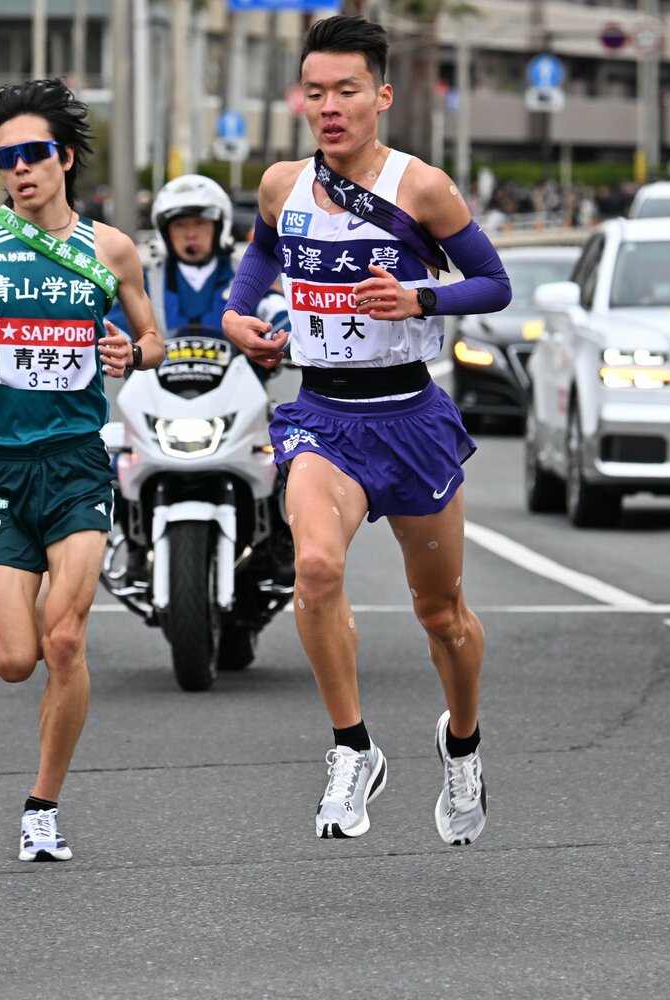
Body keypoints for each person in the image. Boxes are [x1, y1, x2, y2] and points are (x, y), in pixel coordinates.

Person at [221, 14, 511, 846]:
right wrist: (240, 319)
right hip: (323, 416)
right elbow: (256, 265)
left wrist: (421, 298)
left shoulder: (422, 187)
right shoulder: (282, 185)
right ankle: (352, 748)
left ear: (381, 95)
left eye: (347, 90)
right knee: (314, 567)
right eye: (316, 92)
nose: (331, 106)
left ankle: (462, 743)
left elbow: (491, 284)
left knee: (441, 612)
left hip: (410, 417)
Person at [0, 78, 165, 862]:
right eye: (4, 159)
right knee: (15, 659)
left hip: (79, 463)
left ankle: (43, 805)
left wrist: (132, 352)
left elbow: (152, 338)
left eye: (33, 155)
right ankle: (42, 782)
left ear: (65, 158)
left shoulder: (109, 249)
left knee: (63, 640)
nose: (20, 171)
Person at [107, 173, 287, 344]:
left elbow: (276, 310)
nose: (190, 234)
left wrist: (285, 331)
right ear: (165, 233)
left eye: (199, 223)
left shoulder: (245, 276)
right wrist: (113, 343)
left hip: (238, 375)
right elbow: (113, 326)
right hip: (156, 375)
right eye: (180, 225)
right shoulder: (145, 283)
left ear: (219, 227)